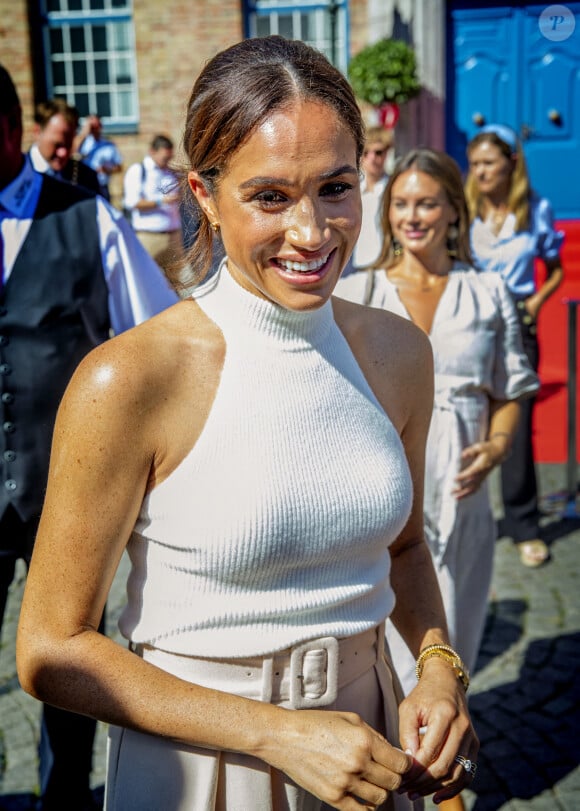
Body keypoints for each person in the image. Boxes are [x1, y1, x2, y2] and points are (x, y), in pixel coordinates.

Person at [16, 37, 478, 811]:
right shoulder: (129, 377)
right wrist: (275, 732)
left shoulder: (400, 352)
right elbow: (50, 648)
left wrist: (436, 664)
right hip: (199, 766)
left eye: (335, 188)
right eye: (270, 197)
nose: (312, 232)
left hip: (368, 745)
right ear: (204, 193)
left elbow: (402, 546)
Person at [336, 147, 538, 811]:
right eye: (401, 203)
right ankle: (439, 800)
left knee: (450, 655)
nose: (412, 215)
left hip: (463, 498)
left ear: (455, 209)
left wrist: (499, 442)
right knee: (388, 657)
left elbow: (512, 387)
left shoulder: (488, 293)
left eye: (427, 202)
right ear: (386, 213)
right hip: (377, 504)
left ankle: (434, 778)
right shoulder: (357, 291)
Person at [0, 64, 178, 811]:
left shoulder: (86, 217)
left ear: (8, 130)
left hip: (66, 495)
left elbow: (159, 338)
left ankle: (65, 801)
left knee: (70, 665)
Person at [465, 124, 564, 568]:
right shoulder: (466, 210)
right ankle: (463, 522)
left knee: (516, 425)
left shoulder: (535, 210)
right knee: (467, 417)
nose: (480, 171)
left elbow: (555, 268)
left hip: (517, 324)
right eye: (475, 164)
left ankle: (524, 523)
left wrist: (537, 301)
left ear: (511, 164)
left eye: (488, 162)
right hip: (470, 320)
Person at [123, 134, 183, 276]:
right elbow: (132, 203)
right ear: (152, 152)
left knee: (177, 284)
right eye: (164, 158)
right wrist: (161, 201)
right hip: (149, 237)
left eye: (169, 157)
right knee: (146, 281)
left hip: (173, 236)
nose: (167, 161)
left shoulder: (171, 172)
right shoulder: (138, 171)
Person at [29, 98, 101, 194]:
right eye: (57, 145)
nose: (63, 153)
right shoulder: (16, 173)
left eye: (68, 145)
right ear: (37, 132)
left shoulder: (86, 177)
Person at [350, 125, 394, 270]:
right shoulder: (349, 190)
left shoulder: (394, 190)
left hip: (385, 266)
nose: (372, 158)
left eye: (378, 152)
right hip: (353, 266)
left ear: (387, 153)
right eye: (366, 152)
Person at [73, 113, 123, 201]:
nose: (94, 129)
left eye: (96, 125)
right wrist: (84, 133)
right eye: (92, 126)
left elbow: (119, 167)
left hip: (102, 185)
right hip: (84, 184)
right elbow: (72, 151)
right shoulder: (82, 142)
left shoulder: (108, 145)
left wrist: (107, 169)